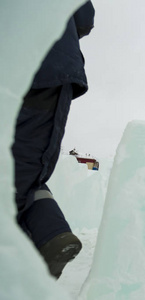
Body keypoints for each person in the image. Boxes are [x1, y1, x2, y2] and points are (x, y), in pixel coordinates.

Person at [11, 1, 95, 279]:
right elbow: (85, 18)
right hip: (57, 74)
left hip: (21, 63)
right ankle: (53, 235)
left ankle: (27, 258)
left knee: (13, 177)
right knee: (29, 172)